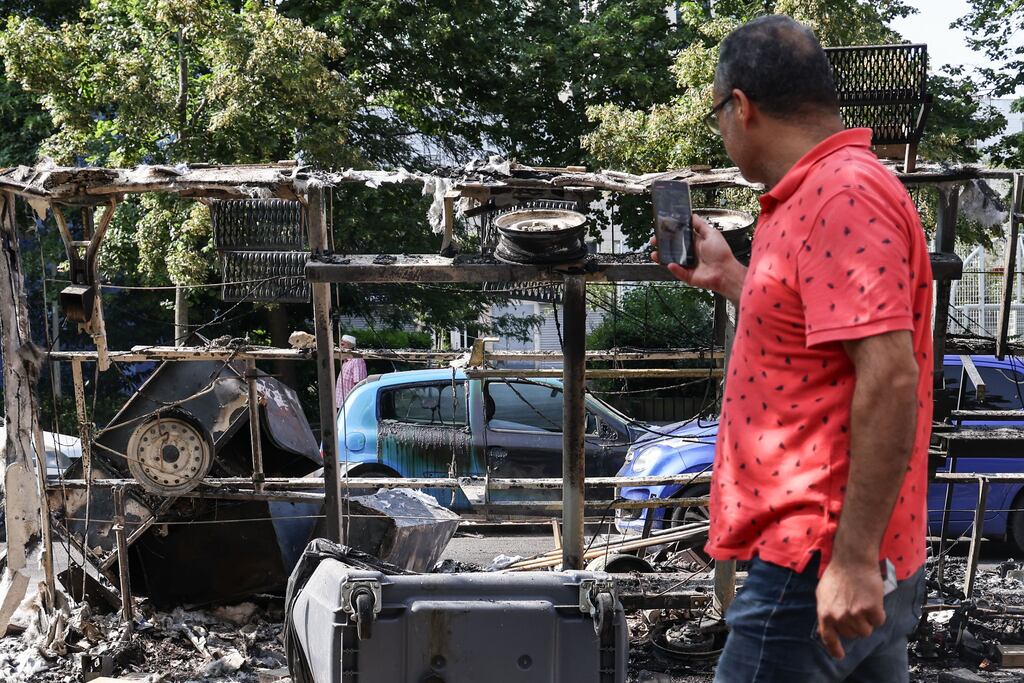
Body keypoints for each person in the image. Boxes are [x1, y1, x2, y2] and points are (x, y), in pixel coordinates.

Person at [653, 15, 932, 683]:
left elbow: (892, 377)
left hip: (816, 557)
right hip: (849, 557)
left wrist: (853, 559)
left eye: (717, 114)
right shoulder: (822, 190)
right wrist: (727, 275)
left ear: (740, 107)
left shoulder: (841, 195)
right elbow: (819, 341)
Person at [335, 334, 367, 408]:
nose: (340, 347)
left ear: (349, 346)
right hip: (341, 405)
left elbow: (359, 385)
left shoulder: (357, 360)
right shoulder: (346, 361)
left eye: (342, 344)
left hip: (350, 405)